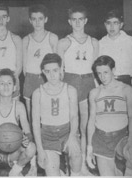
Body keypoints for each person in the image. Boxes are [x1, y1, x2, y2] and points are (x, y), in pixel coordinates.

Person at [57, 5, 99, 174]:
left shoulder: (94, 42)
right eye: (74, 19)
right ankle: (70, 163)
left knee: (84, 126)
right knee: (71, 127)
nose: (77, 22)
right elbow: (60, 72)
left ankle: (82, 163)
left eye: (80, 19)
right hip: (70, 82)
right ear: (69, 21)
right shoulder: (64, 42)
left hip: (88, 82)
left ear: (85, 21)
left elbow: (96, 70)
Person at [87, 55, 132, 176]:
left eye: (105, 72)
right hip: (101, 140)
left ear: (113, 70)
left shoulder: (126, 89)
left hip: (121, 137)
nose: (102, 77)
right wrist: (89, 148)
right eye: (99, 73)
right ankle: (116, 168)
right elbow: (91, 120)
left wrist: (131, 140)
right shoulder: (94, 93)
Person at [22, 4, 59, 176]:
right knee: (31, 123)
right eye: (34, 19)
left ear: (46, 19)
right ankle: (33, 164)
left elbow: (59, 65)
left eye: (40, 19)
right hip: (30, 80)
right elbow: (23, 68)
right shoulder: (26, 40)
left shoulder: (52, 38)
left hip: (47, 81)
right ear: (30, 20)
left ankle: (49, 157)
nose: (37, 22)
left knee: (47, 120)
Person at [32, 53, 82, 176]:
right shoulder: (38, 93)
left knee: (76, 152)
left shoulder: (70, 90)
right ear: (43, 72)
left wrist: (72, 137)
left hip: (67, 131)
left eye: (55, 70)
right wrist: (39, 149)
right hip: (48, 135)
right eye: (48, 71)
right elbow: (35, 123)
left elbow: (74, 116)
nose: (52, 75)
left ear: (61, 69)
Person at [0, 68, 36, 176]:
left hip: (14, 151)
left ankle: (15, 171)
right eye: (2, 83)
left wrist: (27, 139)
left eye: (9, 83)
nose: (6, 86)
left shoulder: (19, 106)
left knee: (31, 148)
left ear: (14, 88)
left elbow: (28, 133)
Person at [99, 9, 132, 99]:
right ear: (104, 25)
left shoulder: (130, 41)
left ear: (121, 25)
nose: (111, 27)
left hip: (126, 83)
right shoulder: (100, 43)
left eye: (115, 23)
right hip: (106, 84)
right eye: (108, 23)